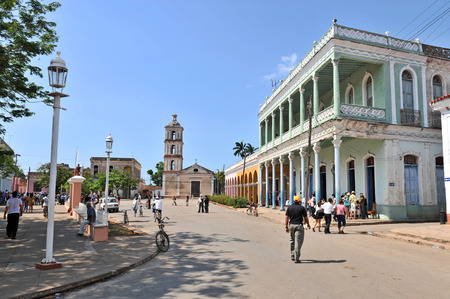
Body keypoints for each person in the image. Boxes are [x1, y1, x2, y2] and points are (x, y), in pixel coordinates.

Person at [284, 195, 311, 263]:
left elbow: (286, 217)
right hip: (299, 225)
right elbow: (305, 217)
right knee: (298, 241)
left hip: (291, 225)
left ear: (293, 201)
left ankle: (292, 255)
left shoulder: (289, 208)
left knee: (292, 240)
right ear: (299, 201)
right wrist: (308, 224)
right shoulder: (302, 208)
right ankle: (296, 257)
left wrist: (286, 227)